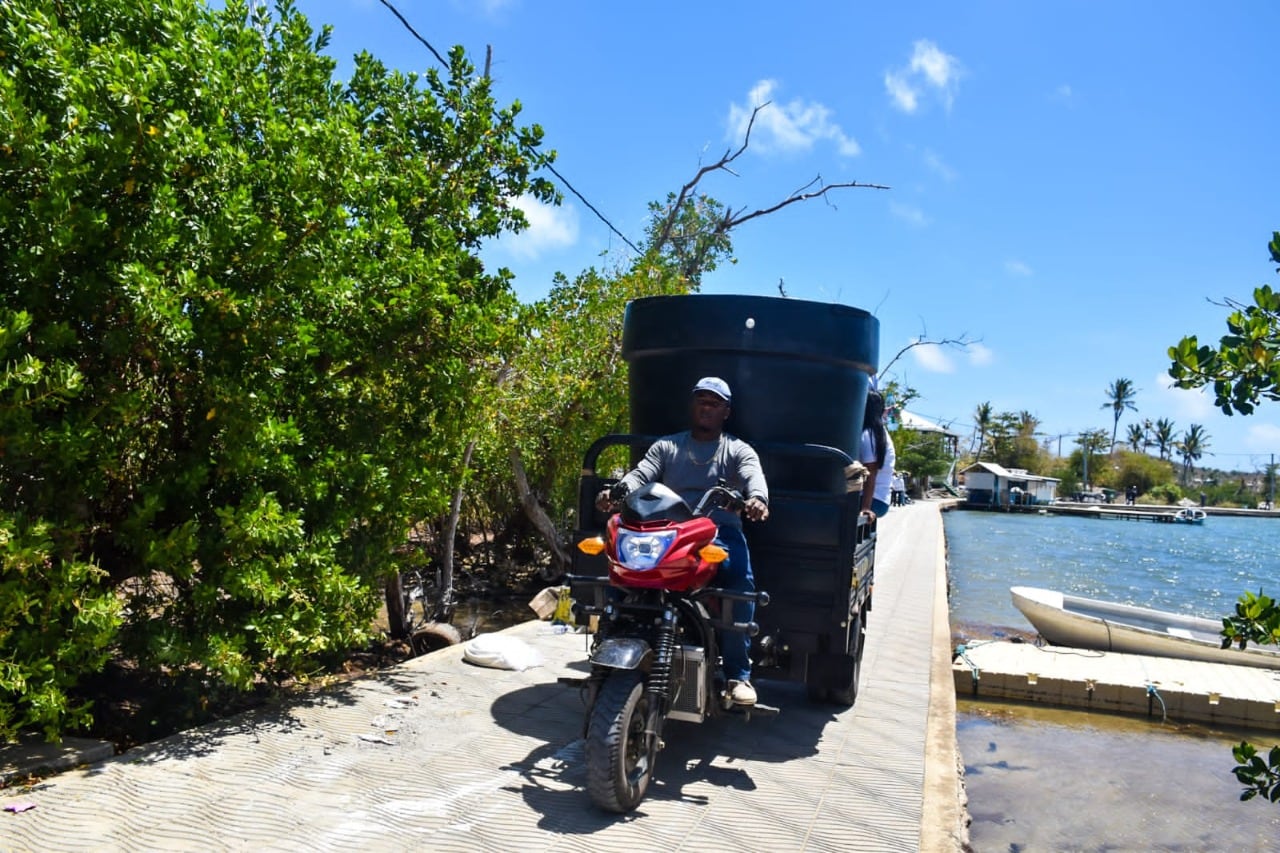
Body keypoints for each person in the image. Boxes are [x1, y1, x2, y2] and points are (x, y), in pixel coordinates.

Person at [595, 376, 769, 706]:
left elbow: (752, 475)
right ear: (692, 405)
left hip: (718, 533)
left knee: (739, 583)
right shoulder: (667, 446)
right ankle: (608, 649)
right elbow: (641, 474)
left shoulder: (736, 449)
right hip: (667, 532)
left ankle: (737, 675)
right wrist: (619, 490)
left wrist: (757, 498)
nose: (706, 407)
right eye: (701, 399)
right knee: (619, 573)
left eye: (714, 402)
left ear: (726, 411)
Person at [859, 388, 896, 519]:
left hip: (873, 500)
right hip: (880, 498)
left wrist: (865, 508)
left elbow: (871, 472)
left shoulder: (869, 434)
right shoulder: (878, 432)